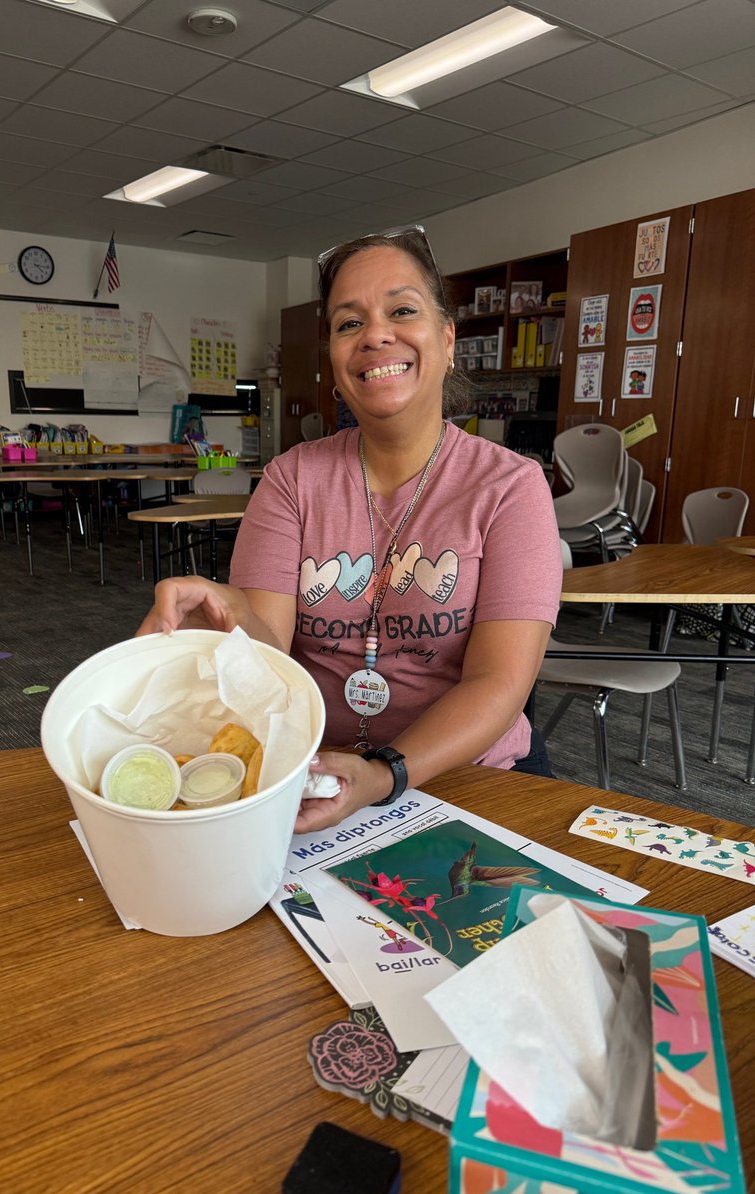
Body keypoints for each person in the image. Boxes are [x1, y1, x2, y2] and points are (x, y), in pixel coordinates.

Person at [138, 225, 563, 833]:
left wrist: (385, 773)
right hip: (317, 774)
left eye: (403, 311)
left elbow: (499, 682)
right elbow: (270, 651)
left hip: (470, 773)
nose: (375, 335)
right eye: (349, 323)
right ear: (335, 364)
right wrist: (229, 618)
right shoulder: (291, 480)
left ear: (447, 340)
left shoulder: (510, 486)